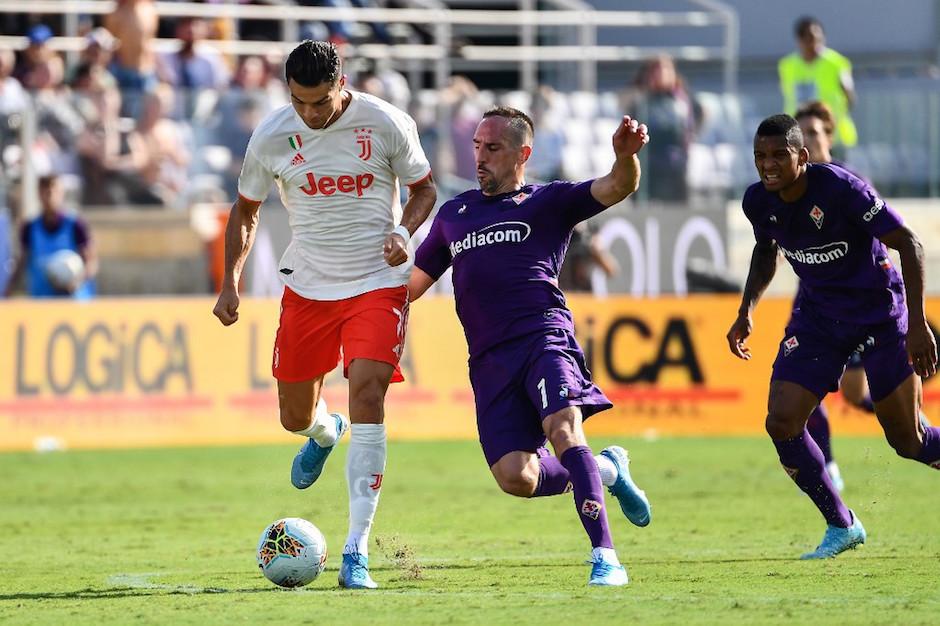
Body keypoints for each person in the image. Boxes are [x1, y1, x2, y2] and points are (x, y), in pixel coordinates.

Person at [211, 40, 436, 589]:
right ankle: (323, 432)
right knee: (293, 416)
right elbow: (246, 210)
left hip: (377, 284)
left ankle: (356, 551)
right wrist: (230, 282)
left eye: (320, 102)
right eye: (298, 102)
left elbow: (424, 190)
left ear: (342, 84)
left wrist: (403, 232)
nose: (309, 114)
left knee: (367, 392)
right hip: (308, 288)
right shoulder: (271, 135)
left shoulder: (384, 123)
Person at [407, 107, 652, 586]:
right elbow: (412, 284)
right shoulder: (454, 215)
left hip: (544, 337)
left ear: (523, 154)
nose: (480, 157)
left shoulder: (549, 201)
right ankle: (606, 470)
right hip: (489, 360)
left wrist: (625, 158)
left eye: (492, 148)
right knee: (515, 478)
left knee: (564, 430)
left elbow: (616, 186)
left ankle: (605, 555)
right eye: (477, 146)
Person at [726, 114, 939, 559]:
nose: (767, 165)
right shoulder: (757, 202)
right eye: (759, 157)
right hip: (820, 319)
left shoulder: (843, 189)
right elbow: (766, 252)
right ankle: (842, 524)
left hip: (880, 317)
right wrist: (747, 309)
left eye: (778, 156)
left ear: (802, 157)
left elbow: (910, 244)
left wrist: (917, 325)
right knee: (781, 420)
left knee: (908, 441)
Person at [4, 173, 97, 298]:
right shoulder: (30, 227)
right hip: (42, 301)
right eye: (46, 192)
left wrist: (77, 281)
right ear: (39, 194)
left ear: (62, 193)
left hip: (73, 301)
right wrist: (8, 291)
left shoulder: (75, 224)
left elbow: (91, 261)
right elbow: (22, 261)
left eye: (55, 192)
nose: (51, 197)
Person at [779, 16, 857, 152]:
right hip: (799, 138)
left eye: (818, 39)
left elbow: (850, 95)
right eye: (809, 39)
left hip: (833, 138)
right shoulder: (787, 66)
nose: (814, 44)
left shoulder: (836, 63)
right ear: (800, 40)